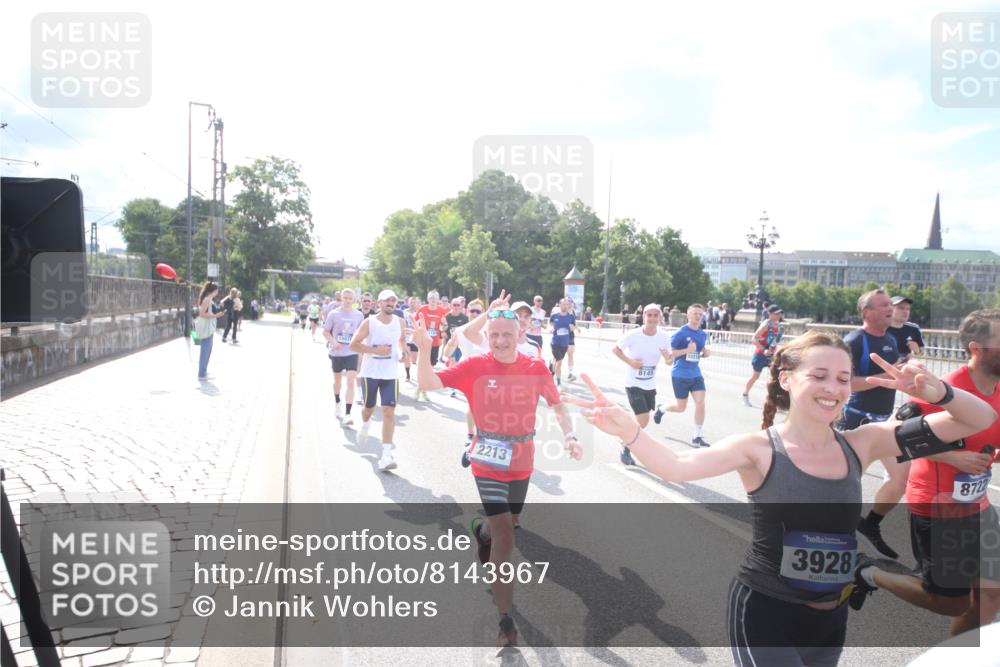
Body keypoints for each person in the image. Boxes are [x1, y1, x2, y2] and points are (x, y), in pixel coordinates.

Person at [563, 331, 995, 666]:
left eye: (844, 379)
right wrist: (630, 433)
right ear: (787, 379)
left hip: (830, 617)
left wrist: (937, 393)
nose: (835, 388)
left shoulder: (863, 443)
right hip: (765, 612)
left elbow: (980, 418)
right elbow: (676, 466)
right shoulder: (757, 448)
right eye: (820, 376)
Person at [414, 294, 583, 653]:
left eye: (508, 334)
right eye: (495, 336)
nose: (502, 341)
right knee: (507, 538)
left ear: (520, 333)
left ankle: (481, 529)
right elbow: (429, 384)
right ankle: (506, 621)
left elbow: (557, 404)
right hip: (487, 459)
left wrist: (569, 435)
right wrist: (426, 349)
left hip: (522, 459)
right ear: (487, 335)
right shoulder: (474, 365)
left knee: (507, 523)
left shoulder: (536, 367)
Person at [850, 309, 1000, 638]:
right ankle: (868, 571)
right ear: (977, 348)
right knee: (950, 602)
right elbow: (892, 437)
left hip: (979, 505)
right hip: (937, 506)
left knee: (991, 595)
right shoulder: (942, 389)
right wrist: (953, 457)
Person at [843, 289, 906, 560]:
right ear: (866, 312)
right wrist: (886, 376)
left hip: (885, 420)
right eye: (882, 306)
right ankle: (835, 535)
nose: (889, 309)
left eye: (890, 305)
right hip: (857, 418)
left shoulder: (891, 339)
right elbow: (844, 382)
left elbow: (893, 380)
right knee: (847, 483)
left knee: (902, 478)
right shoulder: (855, 341)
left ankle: (870, 524)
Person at [349, 290, 407, 471]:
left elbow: (402, 342)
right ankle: (365, 424)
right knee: (369, 409)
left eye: (393, 300)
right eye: (387, 300)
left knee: (389, 412)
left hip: (391, 374)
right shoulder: (369, 322)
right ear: (379, 303)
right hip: (370, 373)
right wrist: (376, 351)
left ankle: (386, 455)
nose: (391, 303)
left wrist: (404, 353)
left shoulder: (400, 322)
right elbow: (353, 344)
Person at [613, 304, 671, 466]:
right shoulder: (633, 334)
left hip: (650, 384)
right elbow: (616, 350)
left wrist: (668, 359)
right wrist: (630, 361)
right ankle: (626, 447)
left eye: (655, 315)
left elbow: (669, 360)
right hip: (633, 383)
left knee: (643, 421)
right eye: (649, 315)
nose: (652, 318)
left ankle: (625, 438)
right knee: (643, 419)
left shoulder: (664, 336)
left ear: (660, 317)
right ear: (643, 316)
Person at [653, 304, 712, 447]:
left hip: (695, 374)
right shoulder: (680, 333)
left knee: (700, 402)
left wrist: (705, 352)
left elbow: (699, 350)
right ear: (688, 315)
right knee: (681, 407)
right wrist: (687, 349)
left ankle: (696, 436)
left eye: (700, 314)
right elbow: (670, 354)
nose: (698, 316)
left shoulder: (702, 334)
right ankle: (662, 409)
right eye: (695, 313)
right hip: (680, 374)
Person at [323, 288, 364, 427]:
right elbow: (325, 332)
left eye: (350, 298)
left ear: (354, 300)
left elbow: (360, 334)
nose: (347, 300)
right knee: (337, 382)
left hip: (351, 352)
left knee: (351, 381)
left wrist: (361, 347)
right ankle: (337, 402)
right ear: (341, 298)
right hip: (337, 353)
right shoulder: (334, 314)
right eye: (345, 298)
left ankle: (347, 414)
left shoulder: (359, 315)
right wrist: (333, 342)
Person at [742, 305, 784, 407]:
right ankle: (745, 395)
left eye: (780, 313)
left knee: (775, 377)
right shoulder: (766, 325)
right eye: (776, 313)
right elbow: (754, 339)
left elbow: (774, 341)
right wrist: (764, 349)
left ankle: (772, 400)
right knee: (755, 376)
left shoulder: (779, 326)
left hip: (772, 356)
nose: (779, 315)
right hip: (760, 355)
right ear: (770, 314)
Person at [195, 282, 227, 380]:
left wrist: (219, 313)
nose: (217, 291)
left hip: (209, 328)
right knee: (205, 351)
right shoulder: (207, 300)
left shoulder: (210, 300)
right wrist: (216, 316)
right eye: (217, 289)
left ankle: (204, 371)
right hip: (206, 329)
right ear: (213, 290)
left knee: (208, 351)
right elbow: (201, 314)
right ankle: (201, 374)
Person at [888, 296, 925, 362]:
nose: (905, 311)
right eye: (901, 308)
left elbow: (921, 352)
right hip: (883, 368)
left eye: (908, 309)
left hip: (904, 368)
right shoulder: (880, 328)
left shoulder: (913, 329)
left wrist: (917, 350)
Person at [549, 299, 576, 385]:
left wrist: (572, 328)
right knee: (559, 362)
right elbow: (551, 323)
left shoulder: (571, 317)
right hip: (555, 342)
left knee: (557, 362)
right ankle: (558, 383)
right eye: (564, 304)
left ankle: (551, 369)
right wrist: (551, 328)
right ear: (560, 305)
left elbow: (573, 326)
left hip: (565, 343)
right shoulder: (554, 316)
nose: (565, 306)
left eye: (567, 304)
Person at [402, 296, 422, 383]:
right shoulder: (403, 313)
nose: (413, 304)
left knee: (414, 359)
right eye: (411, 302)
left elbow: (422, 325)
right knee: (407, 357)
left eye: (415, 302)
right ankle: (408, 375)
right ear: (408, 303)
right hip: (406, 338)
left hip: (415, 338)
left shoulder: (419, 313)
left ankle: (417, 373)